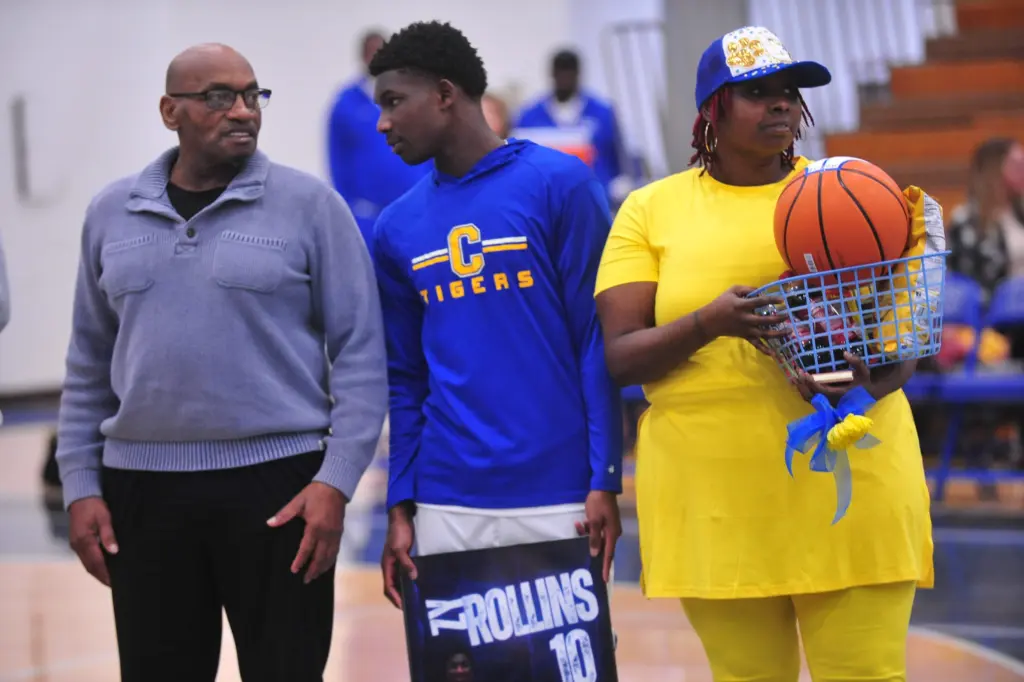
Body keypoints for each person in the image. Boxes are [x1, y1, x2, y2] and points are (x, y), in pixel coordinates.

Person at [592, 26, 934, 681]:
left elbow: (905, 348)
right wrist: (710, 322)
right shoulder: (650, 210)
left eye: (789, 91)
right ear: (711, 110)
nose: (781, 103)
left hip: (851, 488)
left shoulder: (855, 192)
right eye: (757, 91)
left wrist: (859, 379)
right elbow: (622, 356)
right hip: (717, 499)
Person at [55, 42, 387, 682]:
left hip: (281, 489)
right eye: (218, 97)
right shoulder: (110, 213)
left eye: (251, 94)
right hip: (141, 493)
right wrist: (81, 486)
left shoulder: (312, 206)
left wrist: (336, 481)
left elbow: (361, 353)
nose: (242, 110)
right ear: (169, 111)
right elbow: (89, 363)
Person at [367, 20, 623, 610]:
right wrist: (400, 503)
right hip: (445, 500)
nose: (382, 122)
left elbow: (595, 339)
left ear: (445, 93)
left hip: (559, 493)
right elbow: (404, 377)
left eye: (394, 102)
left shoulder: (562, 184)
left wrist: (604, 477)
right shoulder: (395, 227)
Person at [326, 28, 432, 246]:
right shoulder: (347, 103)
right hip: (369, 215)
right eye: (370, 52)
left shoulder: (412, 96)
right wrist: (349, 207)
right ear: (362, 57)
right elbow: (337, 157)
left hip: (415, 211)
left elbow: (431, 143)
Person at [515, 49, 630, 207]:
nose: (565, 79)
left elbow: (617, 156)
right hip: (546, 201)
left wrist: (619, 182)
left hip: (596, 198)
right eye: (560, 73)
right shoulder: (530, 117)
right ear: (552, 74)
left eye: (569, 73)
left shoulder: (602, 113)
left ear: (578, 74)